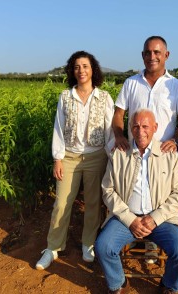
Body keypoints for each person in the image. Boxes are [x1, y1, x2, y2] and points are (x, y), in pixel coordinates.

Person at [112, 35, 178, 263]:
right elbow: (119, 114)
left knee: (157, 200)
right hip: (134, 153)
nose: (152, 56)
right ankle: (130, 236)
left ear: (166, 55)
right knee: (134, 194)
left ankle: (152, 244)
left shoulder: (175, 86)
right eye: (148, 52)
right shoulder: (131, 83)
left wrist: (175, 140)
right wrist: (119, 136)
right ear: (142, 56)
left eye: (157, 52)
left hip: (162, 157)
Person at [95, 109, 178, 294]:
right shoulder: (119, 154)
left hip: (161, 220)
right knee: (103, 247)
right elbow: (107, 191)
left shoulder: (168, 154)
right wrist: (130, 219)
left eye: (145, 126)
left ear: (155, 128)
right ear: (130, 129)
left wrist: (155, 217)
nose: (140, 131)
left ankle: (169, 285)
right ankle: (118, 284)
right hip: (126, 219)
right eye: (136, 126)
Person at [36, 51, 114, 270]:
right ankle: (52, 247)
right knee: (61, 203)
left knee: (93, 203)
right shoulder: (65, 97)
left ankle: (88, 244)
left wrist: (112, 159)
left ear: (93, 70)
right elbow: (58, 129)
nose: (81, 71)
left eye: (85, 66)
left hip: (96, 156)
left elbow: (110, 132)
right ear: (72, 70)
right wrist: (57, 159)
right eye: (77, 67)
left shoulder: (105, 97)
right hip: (69, 156)